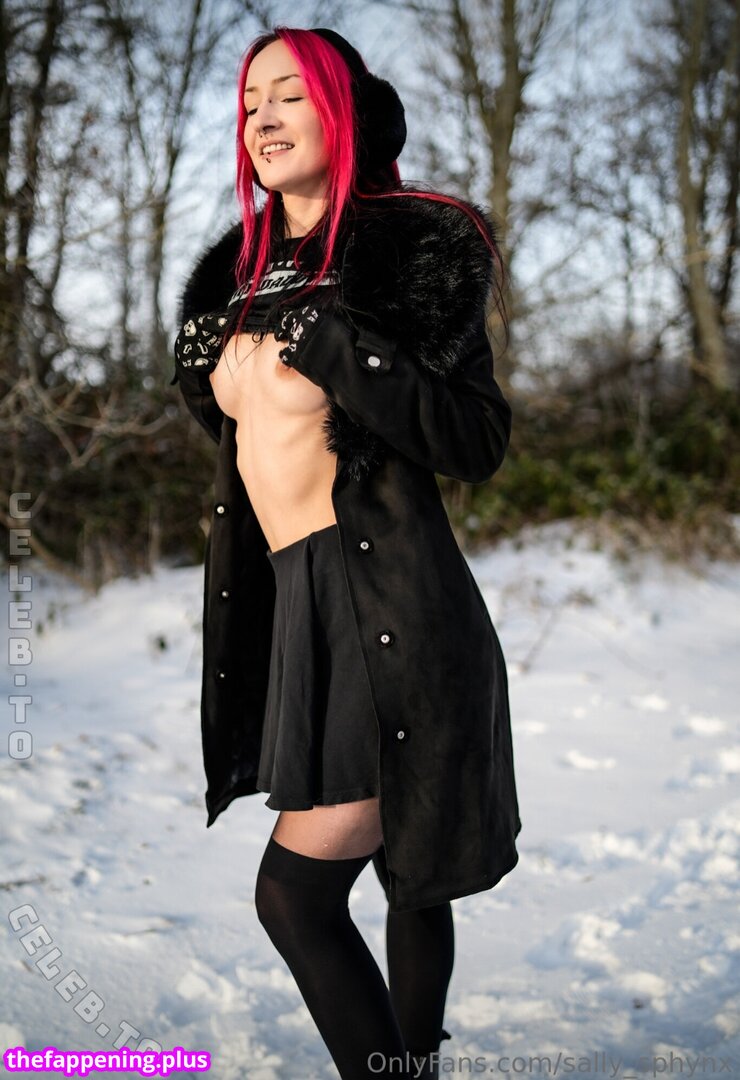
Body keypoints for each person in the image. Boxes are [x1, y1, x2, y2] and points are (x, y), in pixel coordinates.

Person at [171, 25, 522, 1080]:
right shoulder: (236, 276)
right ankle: (415, 1062)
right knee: (395, 867)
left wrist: (344, 349)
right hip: (295, 605)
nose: (262, 119)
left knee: (297, 896)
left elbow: (474, 440)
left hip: (387, 599)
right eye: (248, 103)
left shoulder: (406, 257)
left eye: (288, 95)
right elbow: (255, 442)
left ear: (342, 110)